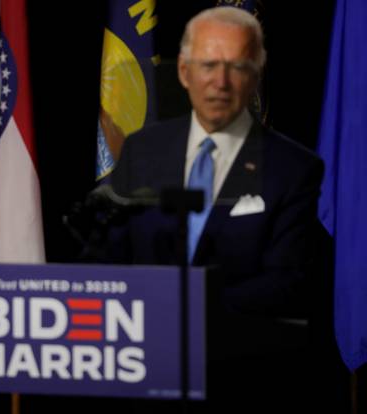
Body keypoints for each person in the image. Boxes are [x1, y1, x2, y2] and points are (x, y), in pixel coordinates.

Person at [105, 6, 324, 413]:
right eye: (207, 65)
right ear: (184, 72)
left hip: (243, 379)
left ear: (255, 75)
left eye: (236, 66)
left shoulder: (293, 168)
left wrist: (181, 308)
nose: (220, 83)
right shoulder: (143, 151)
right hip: (143, 372)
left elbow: (286, 281)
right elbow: (110, 253)